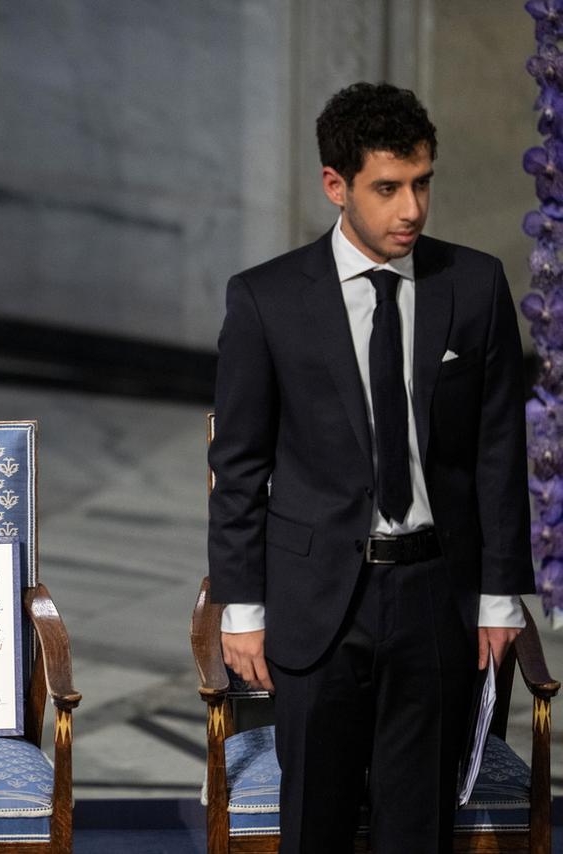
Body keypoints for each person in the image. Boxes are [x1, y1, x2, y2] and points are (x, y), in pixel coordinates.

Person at [207, 81, 535, 852]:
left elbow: (499, 448)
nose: (411, 209)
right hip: (318, 600)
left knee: (416, 825)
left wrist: (499, 593)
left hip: (435, 596)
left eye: (421, 183)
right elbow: (240, 466)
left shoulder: (475, 285)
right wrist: (242, 607)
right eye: (387, 188)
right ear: (336, 186)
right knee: (315, 822)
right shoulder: (267, 300)